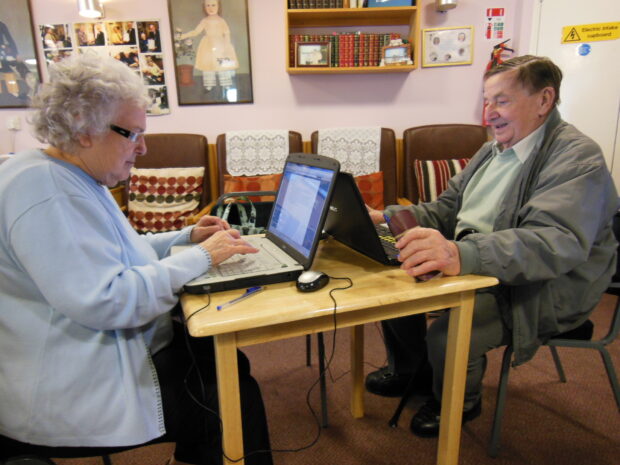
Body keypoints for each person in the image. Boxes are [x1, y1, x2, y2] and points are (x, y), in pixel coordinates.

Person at [0, 52, 273, 465]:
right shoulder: (47, 192)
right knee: (230, 389)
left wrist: (184, 237)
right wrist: (200, 256)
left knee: (222, 359)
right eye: (133, 133)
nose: (143, 147)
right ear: (83, 126)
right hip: (70, 389)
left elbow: (114, 249)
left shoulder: (60, 172)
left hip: (80, 356)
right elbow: (110, 298)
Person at [364, 55, 618, 437]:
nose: (488, 114)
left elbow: (551, 244)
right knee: (394, 285)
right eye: (487, 102)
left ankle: (460, 400)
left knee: (448, 334)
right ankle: (413, 372)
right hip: (483, 262)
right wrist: (385, 217)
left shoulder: (577, 157)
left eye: (501, 101)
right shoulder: (492, 150)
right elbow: (447, 208)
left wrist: (458, 253)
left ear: (544, 100)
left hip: (546, 283)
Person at [179, 0, 239, 96]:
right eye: (208, 6)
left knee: (222, 63)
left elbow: (227, 33)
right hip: (207, 45)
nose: (211, 8)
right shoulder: (205, 21)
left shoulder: (221, 20)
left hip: (220, 44)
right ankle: (209, 85)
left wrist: (227, 46)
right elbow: (195, 32)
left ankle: (226, 84)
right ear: (204, 7)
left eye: (213, 5)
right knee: (208, 65)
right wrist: (183, 36)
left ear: (219, 6)